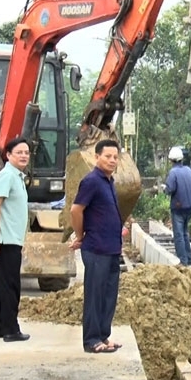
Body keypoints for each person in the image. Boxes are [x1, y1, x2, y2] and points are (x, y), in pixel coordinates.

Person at [69, 139, 124, 354]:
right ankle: (91, 340)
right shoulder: (91, 181)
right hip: (96, 248)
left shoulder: (109, 181)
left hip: (112, 248)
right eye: (107, 156)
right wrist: (80, 235)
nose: (112, 160)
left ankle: (103, 335)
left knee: (109, 295)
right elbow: (76, 210)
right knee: (95, 295)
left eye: (115, 157)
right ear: (97, 157)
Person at [0, 137, 32, 342]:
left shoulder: (17, 177)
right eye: (19, 152)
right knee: (10, 286)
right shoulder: (7, 176)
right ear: (8, 155)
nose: (24, 156)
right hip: (7, 239)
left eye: (26, 152)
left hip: (13, 238)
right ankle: (11, 329)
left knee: (0, 284)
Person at [164, 146, 191, 266]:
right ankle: (189, 259)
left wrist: (164, 189)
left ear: (171, 160)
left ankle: (183, 262)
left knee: (179, 235)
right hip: (190, 206)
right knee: (185, 233)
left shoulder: (173, 172)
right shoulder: (189, 170)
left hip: (178, 207)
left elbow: (170, 189)